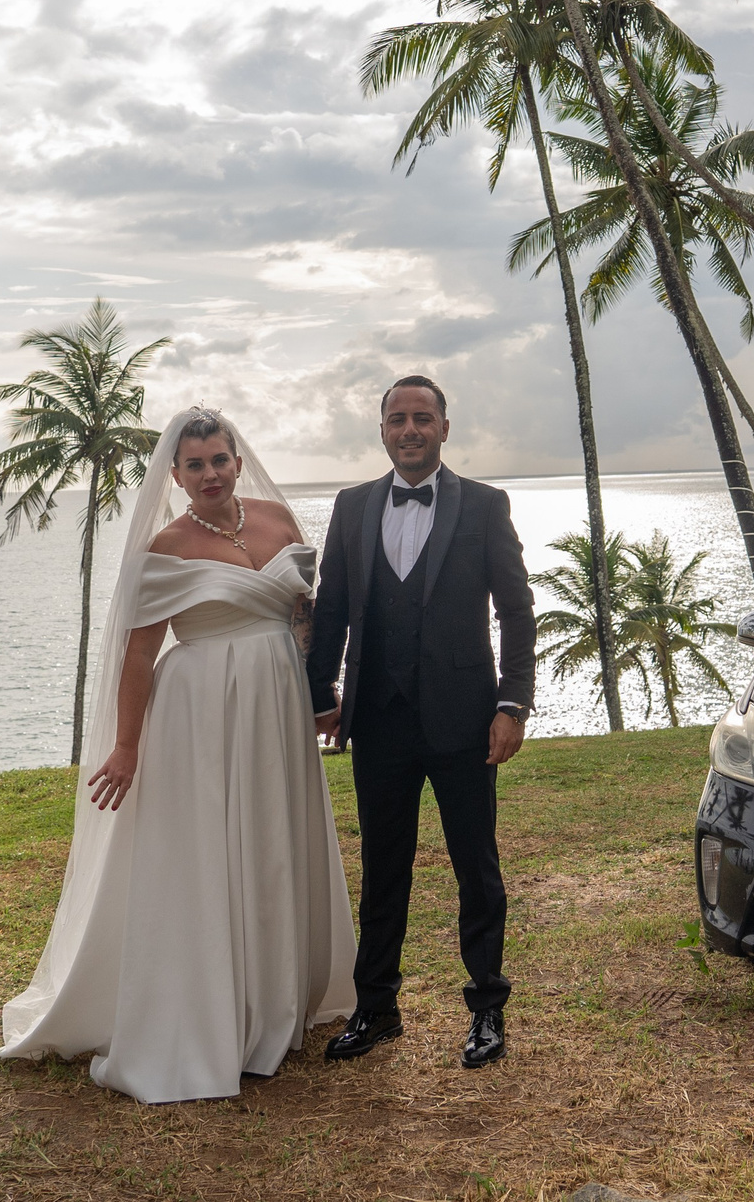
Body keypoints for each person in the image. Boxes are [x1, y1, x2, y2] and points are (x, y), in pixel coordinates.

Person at [0, 408, 354, 1102]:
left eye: (220, 458)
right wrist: (126, 746)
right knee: (206, 851)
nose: (211, 473)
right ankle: (212, 1009)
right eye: (196, 465)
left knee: (274, 840)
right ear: (177, 474)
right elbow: (138, 654)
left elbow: (304, 613)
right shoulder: (168, 543)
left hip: (277, 706)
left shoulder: (278, 518)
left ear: (237, 460)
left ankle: (276, 999)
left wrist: (319, 692)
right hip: (201, 710)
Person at [305, 374, 536, 1070]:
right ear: (382, 430)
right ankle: (376, 1008)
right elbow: (333, 608)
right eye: (398, 418)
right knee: (383, 869)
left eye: (423, 417)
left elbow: (517, 610)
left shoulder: (486, 506)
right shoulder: (351, 507)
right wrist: (322, 695)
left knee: (476, 866)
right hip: (377, 720)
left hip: (466, 720)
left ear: (443, 427)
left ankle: (487, 1009)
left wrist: (512, 702)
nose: (410, 428)